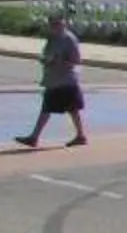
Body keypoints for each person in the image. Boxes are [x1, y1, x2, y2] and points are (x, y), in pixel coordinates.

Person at [17, 14, 88, 149]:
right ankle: (79, 136)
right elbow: (46, 54)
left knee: (66, 109)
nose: (55, 27)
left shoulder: (69, 39)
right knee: (58, 108)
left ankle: (35, 137)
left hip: (66, 80)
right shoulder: (52, 38)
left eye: (58, 24)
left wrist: (58, 62)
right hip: (53, 80)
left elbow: (76, 61)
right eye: (53, 24)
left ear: (63, 24)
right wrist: (44, 59)